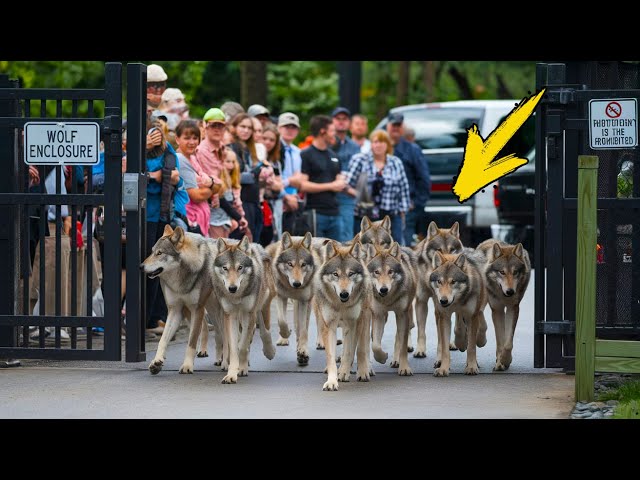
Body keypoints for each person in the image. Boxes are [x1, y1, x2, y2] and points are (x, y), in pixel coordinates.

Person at [347, 129, 410, 243]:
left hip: (390, 215)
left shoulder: (396, 162)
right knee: (364, 247)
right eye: (375, 142)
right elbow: (347, 185)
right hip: (365, 215)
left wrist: (403, 212)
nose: (378, 145)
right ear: (371, 144)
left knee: (394, 246)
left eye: (382, 142)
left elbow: (403, 188)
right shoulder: (360, 160)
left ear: (388, 144)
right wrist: (360, 195)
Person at [386, 112, 430, 246]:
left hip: (405, 209)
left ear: (402, 127)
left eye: (398, 125)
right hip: (381, 208)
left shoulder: (412, 149)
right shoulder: (379, 146)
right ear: (387, 126)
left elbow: (424, 179)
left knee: (402, 248)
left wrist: (417, 204)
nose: (395, 128)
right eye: (393, 125)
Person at [299, 115, 346, 240]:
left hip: (335, 213)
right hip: (316, 213)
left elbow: (339, 178)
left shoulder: (334, 155)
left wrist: (341, 181)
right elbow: (303, 185)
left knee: (337, 255)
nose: (334, 135)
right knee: (317, 255)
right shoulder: (305, 155)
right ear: (322, 132)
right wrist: (331, 185)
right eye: (332, 131)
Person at [175, 119, 218, 236]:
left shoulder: (193, 158)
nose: (192, 142)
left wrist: (212, 185)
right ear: (177, 139)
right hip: (189, 219)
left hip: (200, 218)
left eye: (195, 138)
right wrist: (212, 188)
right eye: (187, 138)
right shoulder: (180, 159)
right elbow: (196, 195)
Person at [331, 106, 360, 241]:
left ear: (349, 123)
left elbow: (360, 172)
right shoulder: (327, 143)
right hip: (329, 194)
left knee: (347, 237)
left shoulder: (355, 146)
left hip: (348, 197)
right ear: (332, 121)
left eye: (345, 119)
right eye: (338, 119)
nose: (341, 122)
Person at [277, 112, 305, 235]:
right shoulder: (274, 148)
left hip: (294, 199)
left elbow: (300, 179)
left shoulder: (298, 152)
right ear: (278, 128)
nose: (290, 130)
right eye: (286, 127)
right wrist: (289, 181)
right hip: (278, 198)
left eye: (293, 127)